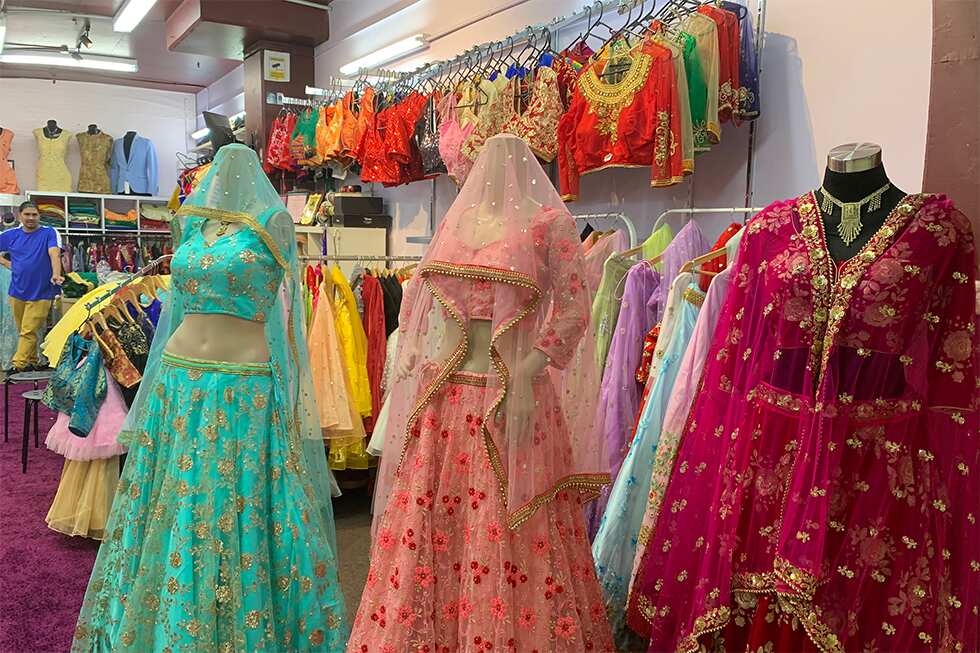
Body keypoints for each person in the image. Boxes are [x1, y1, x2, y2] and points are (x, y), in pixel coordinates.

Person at [0, 201, 62, 372]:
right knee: (26, 330)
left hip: (42, 291)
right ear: (20, 216)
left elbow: (54, 254)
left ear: (39, 216)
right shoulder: (10, 235)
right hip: (16, 291)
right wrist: (8, 263)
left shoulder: (49, 232)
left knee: (27, 331)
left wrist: (56, 274)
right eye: (27, 214)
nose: (31, 218)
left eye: (34, 214)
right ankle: (33, 362)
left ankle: (17, 365)